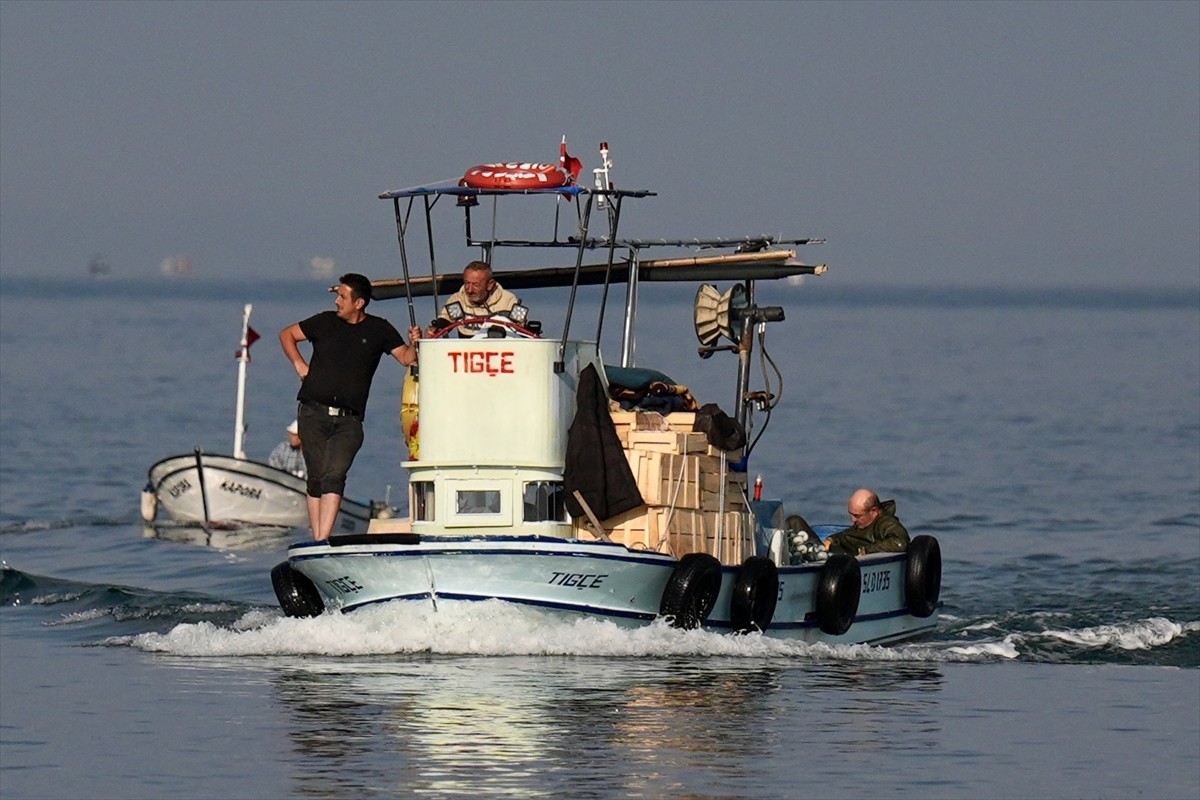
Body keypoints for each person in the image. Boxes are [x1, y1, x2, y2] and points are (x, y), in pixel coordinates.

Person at [279, 273, 421, 541]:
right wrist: (299, 364)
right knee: (316, 478)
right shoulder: (324, 322)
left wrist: (416, 343)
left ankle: (323, 539)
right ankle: (318, 539)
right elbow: (287, 335)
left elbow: (406, 358)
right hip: (312, 412)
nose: (336, 301)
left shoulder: (379, 329)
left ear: (359, 303)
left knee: (335, 475)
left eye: (342, 297)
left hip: (350, 421)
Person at [436, 260, 522, 336]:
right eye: (467, 283)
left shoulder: (508, 301)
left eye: (475, 285)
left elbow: (521, 329)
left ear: (490, 285)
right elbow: (445, 321)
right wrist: (436, 329)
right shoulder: (458, 300)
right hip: (466, 351)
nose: (469, 290)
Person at [823, 488, 911, 556]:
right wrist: (831, 540)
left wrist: (867, 551)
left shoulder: (887, 524)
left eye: (857, 516)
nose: (852, 520)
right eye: (851, 515)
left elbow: (900, 543)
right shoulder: (863, 525)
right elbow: (849, 535)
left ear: (874, 511)